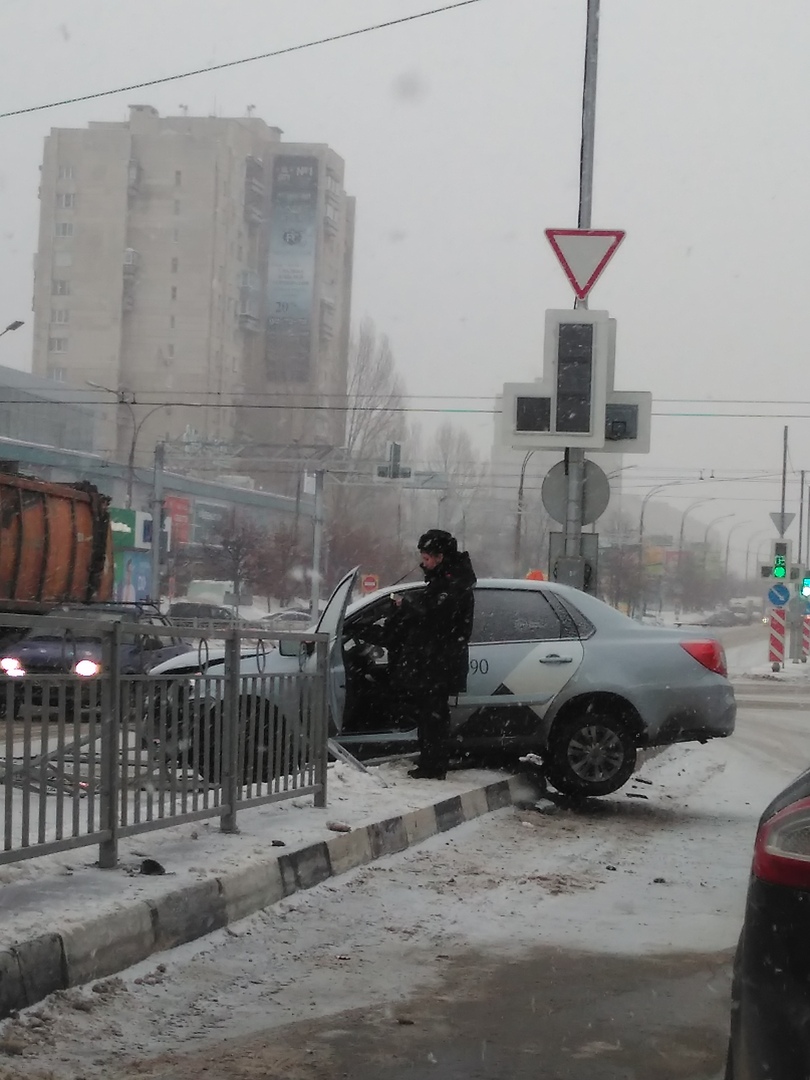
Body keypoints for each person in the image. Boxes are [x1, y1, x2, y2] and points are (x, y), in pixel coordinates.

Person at [365, 529, 476, 780]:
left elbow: (436, 615)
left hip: (440, 661)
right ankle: (430, 762)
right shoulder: (444, 581)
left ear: (440, 557)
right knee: (429, 714)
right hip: (433, 660)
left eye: (426, 559)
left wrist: (407, 604)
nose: (422, 564)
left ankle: (434, 766)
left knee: (433, 714)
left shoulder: (454, 583)